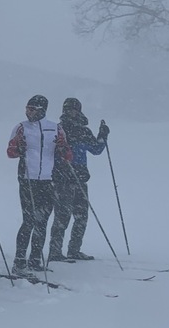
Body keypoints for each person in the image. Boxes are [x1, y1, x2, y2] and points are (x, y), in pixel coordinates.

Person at [7, 95, 68, 275]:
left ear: (42, 110)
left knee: (42, 221)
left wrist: (61, 148)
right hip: (28, 179)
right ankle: (19, 261)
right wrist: (19, 149)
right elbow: (10, 152)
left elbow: (67, 155)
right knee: (29, 220)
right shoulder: (21, 128)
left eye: (32, 109)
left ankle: (35, 259)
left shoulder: (55, 128)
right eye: (27, 108)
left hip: (48, 180)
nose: (28, 112)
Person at [49, 98, 109, 262]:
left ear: (79, 110)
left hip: (81, 178)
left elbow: (96, 149)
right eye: (67, 109)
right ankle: (55, 252)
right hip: (63, 179)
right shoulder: (58, 130)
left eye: (73, 109)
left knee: (81, 216)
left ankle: (74, 250)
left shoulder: (84, 131)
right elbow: (51, 152)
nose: (70, 112)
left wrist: (102, 136)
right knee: (62, 216)